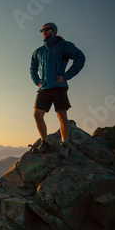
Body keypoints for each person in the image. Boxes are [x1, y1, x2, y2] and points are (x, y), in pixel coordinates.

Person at [30, 22, 85, 157]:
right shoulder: (38, 51)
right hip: (44, 88)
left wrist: (67, 75)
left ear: (53, 31)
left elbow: (80, 57)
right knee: (37, 115)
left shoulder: (63, 45)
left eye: (47, 29)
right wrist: (37, 81)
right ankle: (45, 143)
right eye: (42, 30)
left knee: (61, 115)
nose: (44, 31)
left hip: (59, 87)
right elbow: (33, 68)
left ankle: (65, 144)